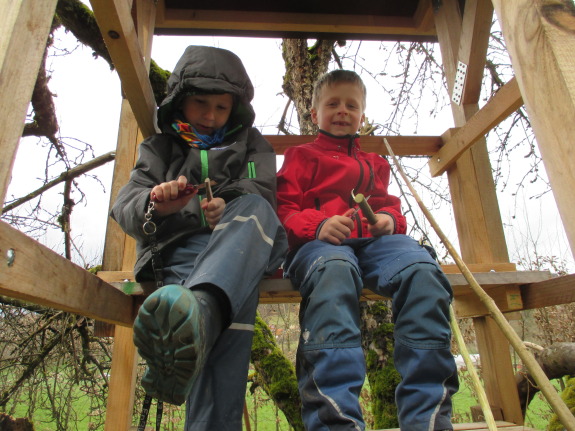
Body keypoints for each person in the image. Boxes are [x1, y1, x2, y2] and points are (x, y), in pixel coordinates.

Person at [110, 45, 287, 430]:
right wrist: (161, 206)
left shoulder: (253, 145)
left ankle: (201, 314)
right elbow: (125, 206)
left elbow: (264, 194)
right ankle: (203, 315)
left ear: (235, 109)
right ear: (179, 102)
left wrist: (227, 204)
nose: (210, 115)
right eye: (201, 103)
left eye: (221, 107)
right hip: (178, 258)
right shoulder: (160, 149)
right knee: (228, 334)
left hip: (241, 247)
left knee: (257, 211)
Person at [276, 69, 459, 431]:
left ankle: (428, 419)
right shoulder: (300, 157)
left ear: (362, 115)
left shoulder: (375, 164)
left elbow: (391, 206)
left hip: (377, 246)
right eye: (333, 104)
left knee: (423, 272)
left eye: (351, 105)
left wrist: (389, 221)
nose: (342, 110)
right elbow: (283, 211)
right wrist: (318, 226)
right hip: (319, 249)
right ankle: (335, 421)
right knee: (335, 270)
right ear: (315, 114)